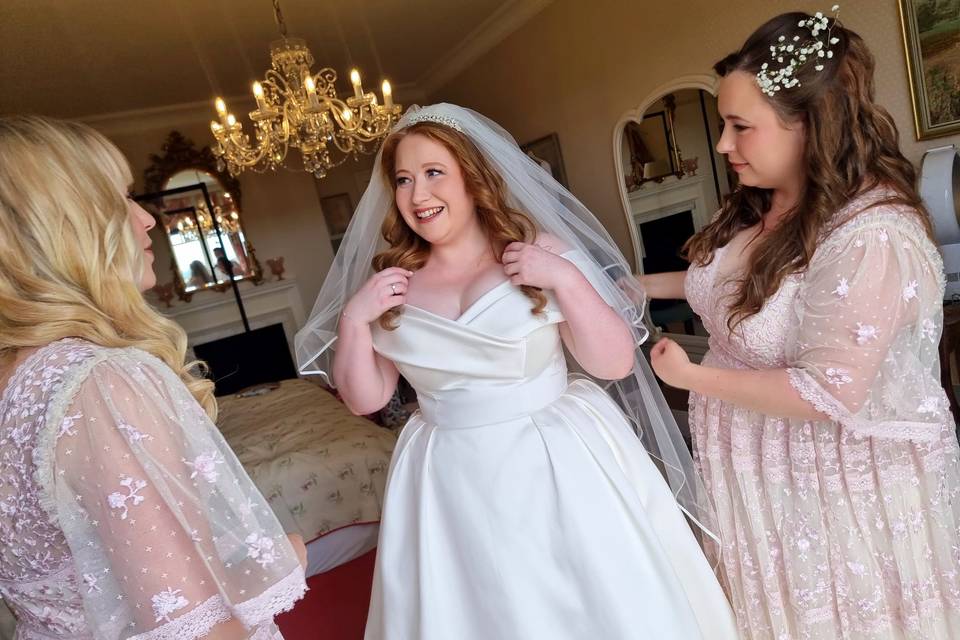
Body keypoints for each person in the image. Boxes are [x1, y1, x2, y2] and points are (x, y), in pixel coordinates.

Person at [295, 104, 738, 640]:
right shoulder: (393, 280)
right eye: (404, 180)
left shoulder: (537, 251)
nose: (418, 195)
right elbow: (366, 399)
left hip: (553, 455)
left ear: (472, 175)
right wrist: (354, 319)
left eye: (435, 173)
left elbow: (615, 362)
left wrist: (568, 280)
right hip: (448, 471)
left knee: (589, 599)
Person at [637, 11, 960, 639]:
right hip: (756, 464)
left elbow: (828, 390)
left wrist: (690, 378)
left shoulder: (872, 235)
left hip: (835, 480)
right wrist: (640, 286)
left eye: (740, 127)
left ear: (811, 125)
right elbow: (744, 285)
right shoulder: (770, 198)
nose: (725, 144)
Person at [0, 116, 307, 639]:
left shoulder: (17, 378)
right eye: (120, 199)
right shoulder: (97, 384)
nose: (147, 220)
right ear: (63, 227)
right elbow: (197, 629)